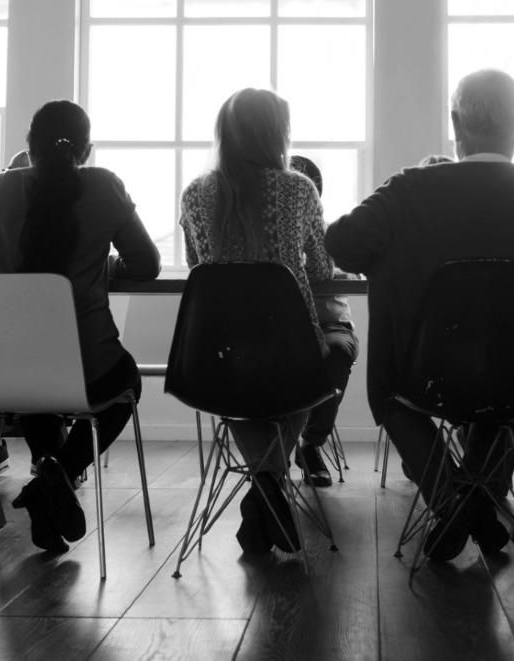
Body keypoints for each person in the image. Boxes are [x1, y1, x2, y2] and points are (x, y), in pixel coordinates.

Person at [325, 69, 514, 560]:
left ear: (455, 123)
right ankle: (472, 502)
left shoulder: (409, 189)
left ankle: (453, 501)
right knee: (506, 390)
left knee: (391, 398)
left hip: (422, 373)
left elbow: (341, 244)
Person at [0, 100, 161, 553]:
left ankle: (47, 467)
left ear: (29, 147)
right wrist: (104, 263)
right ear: (87, 148)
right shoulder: (103, 186)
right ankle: (57, 475)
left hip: (2, 368)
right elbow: (147, 264)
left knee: (35, 384)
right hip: (87, 364)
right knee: (125, 380)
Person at [180, 88, 334, 554]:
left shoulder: (195, 193)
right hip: (292, 344)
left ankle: (264, 488)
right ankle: (269, 484)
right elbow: (323, 269)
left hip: (219, 349)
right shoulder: (299, 188)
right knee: (314, 377)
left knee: (236, 391)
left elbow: (196, 267)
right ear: (277, 134)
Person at [288, 155, 360, 488]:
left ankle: (310, 443)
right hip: (284, 325)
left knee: (337, 352)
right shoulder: (269, 236)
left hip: (331, 324)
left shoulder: (330, 232)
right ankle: (270, 456)